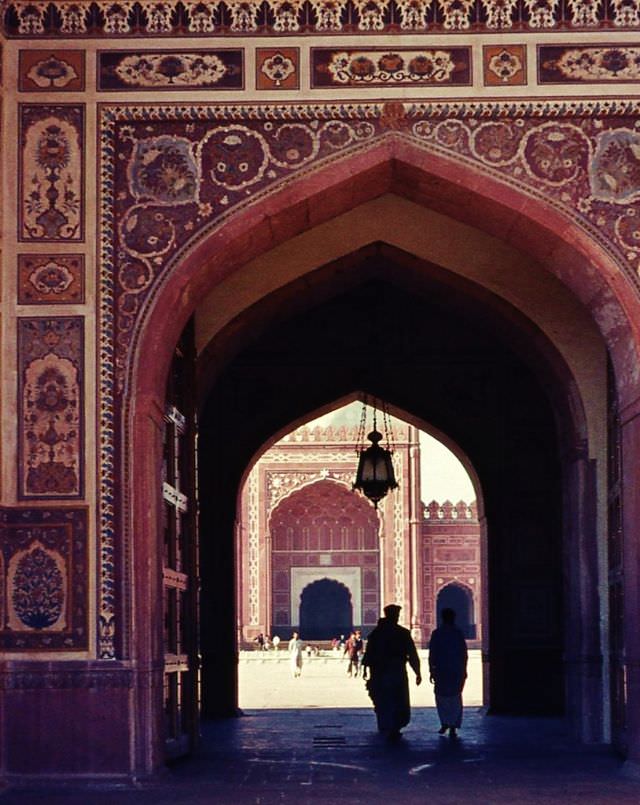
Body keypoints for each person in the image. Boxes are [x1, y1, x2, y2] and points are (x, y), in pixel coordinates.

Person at [362, 605, 422, 739]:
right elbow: (412, 654)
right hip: (396, 671)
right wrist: (417, 672)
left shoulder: (377, 633)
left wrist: (365, 668)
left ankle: (386, 724)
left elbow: (369, 652)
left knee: (383, 698)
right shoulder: (402, 633)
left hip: (380, 671)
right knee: (398, 699)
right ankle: (394, 726)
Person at [428, 607, 468, 738]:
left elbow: (432, 653)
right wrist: (464, 669)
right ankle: (453, 725)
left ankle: (445, 722)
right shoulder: (458, 633)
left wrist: (431, 670)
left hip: (442, 669)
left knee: (442, 697)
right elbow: (464, 653)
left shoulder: (437, 633)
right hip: (455, 669)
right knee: (455, 697)